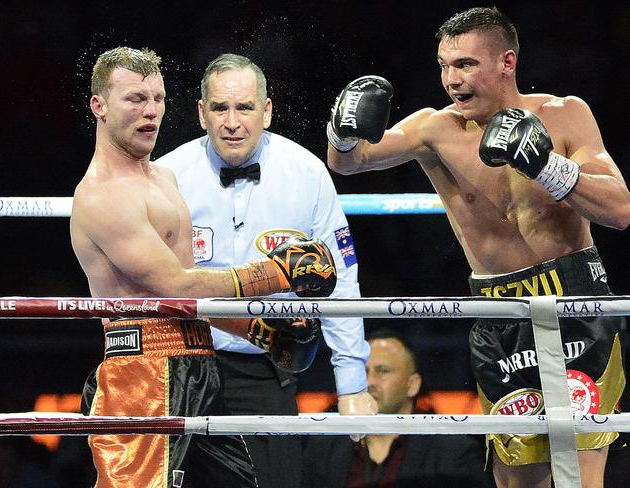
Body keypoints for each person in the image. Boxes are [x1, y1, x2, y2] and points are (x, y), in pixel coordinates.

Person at [326, 7, 629, 488]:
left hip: (575, 301)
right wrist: (341, 131)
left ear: (506, 62)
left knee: (579, 474)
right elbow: (351, 162)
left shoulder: (564, 113)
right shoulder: (434, 130)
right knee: (516, 479)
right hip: (499, 312)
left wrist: (546, 166)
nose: (450, 79)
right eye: (444, 65)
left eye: (465, 64)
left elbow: (619, 209)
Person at [70, 46, 337, 488]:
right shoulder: (102, 195)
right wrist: (276, 274)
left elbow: (189, 303)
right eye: (135, 99)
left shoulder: (163, 179)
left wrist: (255, 330)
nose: (150, 111)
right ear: (99, 106)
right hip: (143, 374)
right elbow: (174, 284)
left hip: (198, 361)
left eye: (157, 98)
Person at [155, 52, 375, 488]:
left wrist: (351, 382)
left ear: (267, 111)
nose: (232, 122)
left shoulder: (307, 173)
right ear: (202, 113)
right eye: (220, 108)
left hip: (265, 365)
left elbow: (341, 278)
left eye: (245, 107)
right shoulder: (167, 175)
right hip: (184, 363)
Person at [302, 327, 494, 487]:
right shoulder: (321, 450)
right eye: (363, 371)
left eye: (383, 371)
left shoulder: (455, 453)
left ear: (412, 385)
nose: (369, 381)